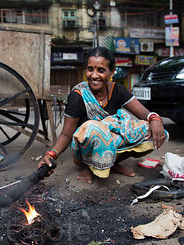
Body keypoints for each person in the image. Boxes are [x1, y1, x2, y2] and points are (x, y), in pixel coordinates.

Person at [38, 47, 166, 184]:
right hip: (84, 148)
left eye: (101, 70)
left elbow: (144, 113)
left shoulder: (117, 90)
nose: (94, 75)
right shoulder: (78, 95)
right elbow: (66, 135)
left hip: (109, 143)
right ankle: (89, 167)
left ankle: (111, 164)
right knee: (94, 128)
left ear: (111, 71)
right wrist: (50, 155)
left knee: (149, 129)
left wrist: (155, 118)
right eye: (90, 69)